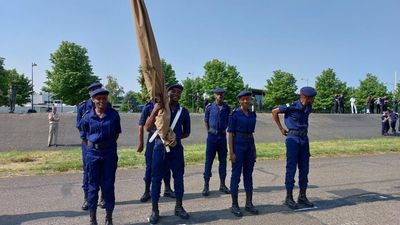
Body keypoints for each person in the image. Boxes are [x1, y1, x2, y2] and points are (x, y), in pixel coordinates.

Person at [146, 84, 190, 224]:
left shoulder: (184, 112)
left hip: (176, 149)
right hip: (159, 147)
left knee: (178, 178)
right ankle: (155, 210)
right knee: (156, 179)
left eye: (179, 92)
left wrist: (174, 138)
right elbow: (148, 127)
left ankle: (179, 206)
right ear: (167, 93)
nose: (176, 94)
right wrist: (155, 111)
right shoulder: (159, 107)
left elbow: (187, 132)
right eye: (173, 91)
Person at [80, 88, 121, 225]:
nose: (101, 101)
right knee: (93, 187)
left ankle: (109, 217)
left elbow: (116, 134)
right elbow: (84, 137)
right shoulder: (87, 116)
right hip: (92, 154)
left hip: (109, 153)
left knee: (109, 185)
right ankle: (93, 218)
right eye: (98, 99)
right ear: (93, 100)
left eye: (104, 98)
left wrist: (105, 145)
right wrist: (95, 147)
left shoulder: (114, 115)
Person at [272, 86, 317, 210]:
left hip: (304, 139)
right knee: (291, 168)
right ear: (305, 97)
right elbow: (274, 111)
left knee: (304, 169)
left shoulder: (309, 107)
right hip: (293, 138)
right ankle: (289, 197)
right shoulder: (291, 106)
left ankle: (302, 196)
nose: (313, 100)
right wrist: (281, 128)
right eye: (312, 98)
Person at [137, 99, 175, 203]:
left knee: (167, 165)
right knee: (149, 166)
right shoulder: (148, 107)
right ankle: (146, 191)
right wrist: (141, 142)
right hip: (153, 139)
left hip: (165, 139)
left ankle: (167, 189)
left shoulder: (168, 105)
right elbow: (142, 125)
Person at [228, 90, 258, 217]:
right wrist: (231, 152)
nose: (245, 101)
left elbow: (251, 134)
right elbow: (230, 134)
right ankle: (234, 205)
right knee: (236, 176)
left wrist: (255, 149)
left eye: (247, 98)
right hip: (238, 146)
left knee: (248, 175)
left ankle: (249, 203)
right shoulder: (234, 115)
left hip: (249, 147)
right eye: (243, 99)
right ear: (239, 101)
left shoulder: (252, 115)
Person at [77, 82, 106, 211]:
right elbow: (80, 127)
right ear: (91, 94)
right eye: (94, 91)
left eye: (99, 89)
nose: (97, 93)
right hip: (88, 145)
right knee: (88, 171)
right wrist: (89, 143)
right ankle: (87, 198)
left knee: (104, 172)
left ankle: (103, 197)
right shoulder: (83, 107)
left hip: (104, 146)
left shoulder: (106, 104)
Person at [202, 88, 231, 196]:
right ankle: (206, 185)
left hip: (222, 137)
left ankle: (222, 185)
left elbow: (228, 121)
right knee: (208, 161)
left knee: (223, 162)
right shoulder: (209, 107)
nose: (219, 96)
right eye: (218, 94)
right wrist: (209, 131)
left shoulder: (227, 108)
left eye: (221, 94)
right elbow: (206, 120)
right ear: (214, 95)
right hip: (212, 137)